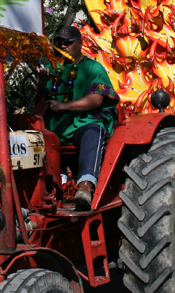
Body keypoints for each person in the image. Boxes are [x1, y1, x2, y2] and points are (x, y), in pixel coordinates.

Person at [40, 25, 119, 210]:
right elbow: (41, 101)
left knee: (93, 130)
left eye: (67, 43)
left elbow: (97, 99)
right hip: (55, 129)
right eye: (59, 43)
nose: (63, 46)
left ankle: (85, 186)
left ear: (80, 44)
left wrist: (64, 106)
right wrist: (42, 82)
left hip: (84, 124)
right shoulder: (52, 67)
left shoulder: (93, 67)